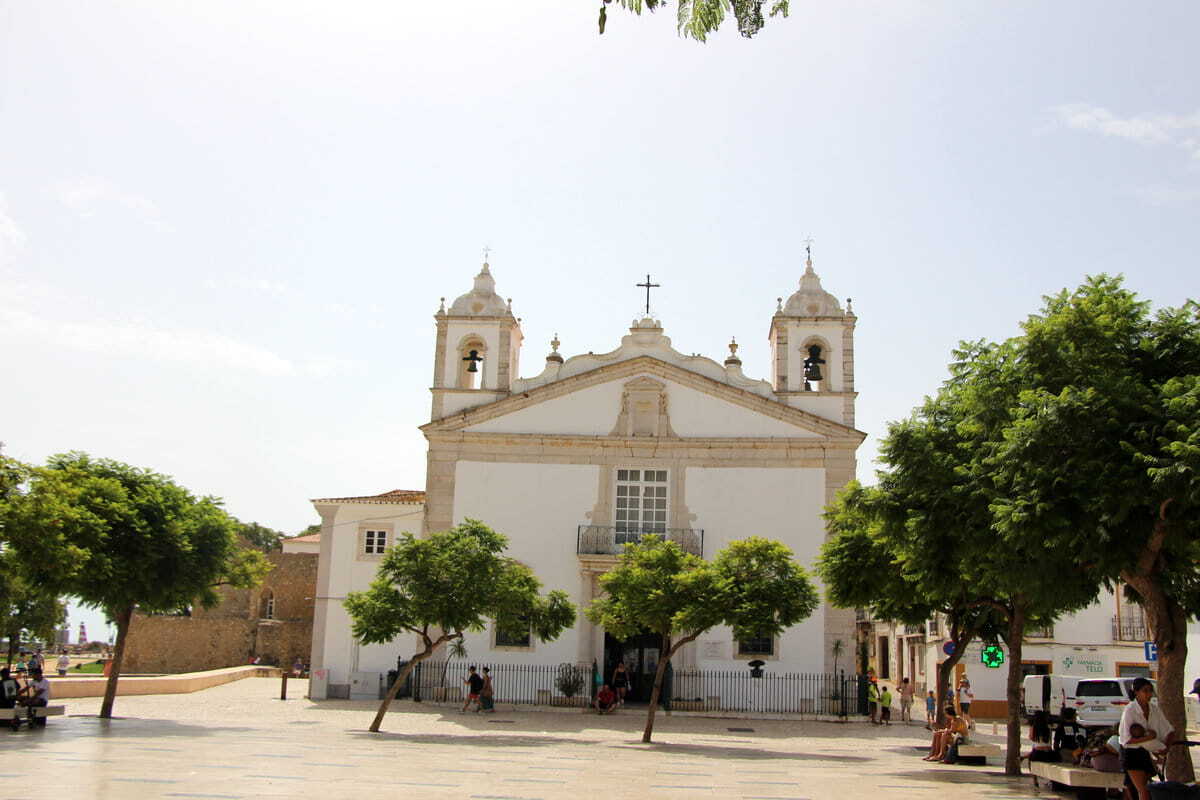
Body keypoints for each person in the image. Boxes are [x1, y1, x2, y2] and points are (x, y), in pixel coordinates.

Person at [1120, 676, 1174, 800]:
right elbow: (1126, 740)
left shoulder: (1154, 709)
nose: (1149, 694)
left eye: (1150, 691)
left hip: (1147, 753)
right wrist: (1149, 737)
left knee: (1143, 789)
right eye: (1145, 691)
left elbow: (1170, 730)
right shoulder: (1130, 710)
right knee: (1143, 790)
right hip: (1131, 753)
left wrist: (1166, 748)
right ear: (1136, 692)